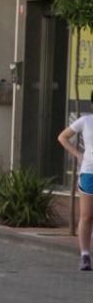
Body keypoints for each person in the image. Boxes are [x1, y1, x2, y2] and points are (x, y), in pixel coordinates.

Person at [58, 102, 93, 270]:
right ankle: (85, 255)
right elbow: (62, 137)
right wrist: (78, 155)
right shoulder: (85, 121)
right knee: (87, 216)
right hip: (89, 173)